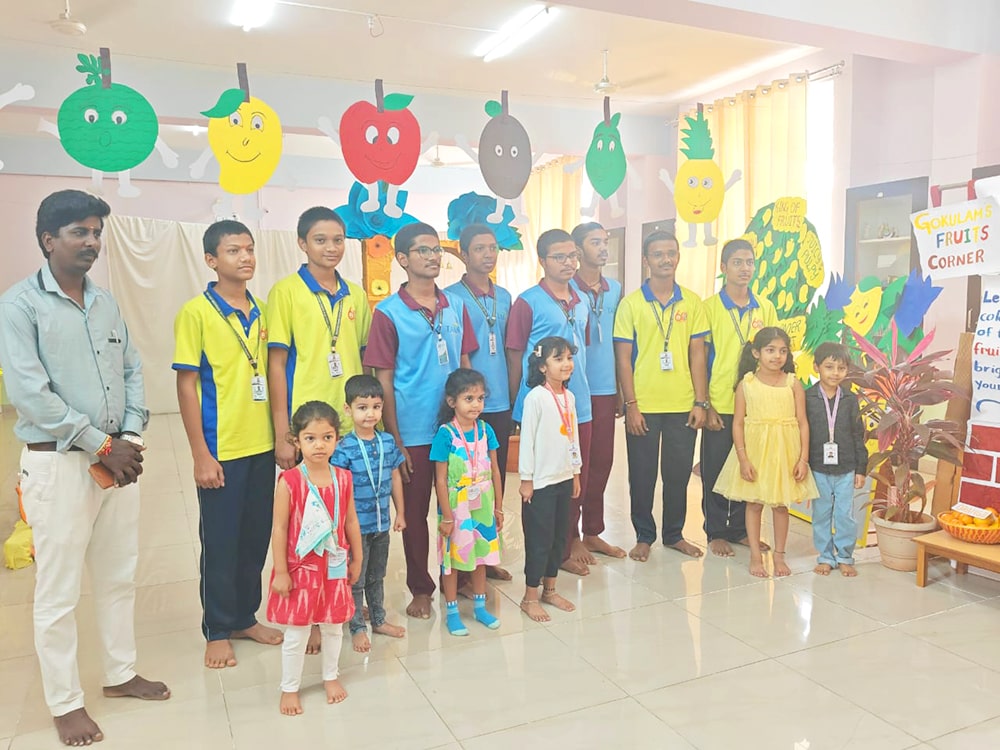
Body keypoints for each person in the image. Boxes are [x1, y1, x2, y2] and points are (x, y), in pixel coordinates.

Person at [0, 190, 169, 747]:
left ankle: (120, 674)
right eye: (79, 232)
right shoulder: (19, 306)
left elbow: (132, 370)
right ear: (48, 240)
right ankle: (65, 702)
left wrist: (130, 437)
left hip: (117, 462)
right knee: (58, 590)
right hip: (58, 466)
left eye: (96, 232)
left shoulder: (106, 303)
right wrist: (101, 445)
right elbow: (31, 395)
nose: (91, 241)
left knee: (119, 574)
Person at [173, 220, 283, 670]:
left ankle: (244, 618)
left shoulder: (264, 310)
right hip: (221, 447)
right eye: (234, 250)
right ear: (211, 260)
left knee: (255, 537)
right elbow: (186, 386)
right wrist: (200, 454)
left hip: (262, 446)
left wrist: (280, 436)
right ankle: (217, 629)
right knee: (220, 541)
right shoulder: (196, 313)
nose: (246, 257)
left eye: (250, 249)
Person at [363, 221, 478, 619]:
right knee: (414, 514)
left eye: (436, 250)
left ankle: (461, 578)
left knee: (459, 505)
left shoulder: (456, 306)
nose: (432, 257)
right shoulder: (388, 313)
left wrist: (471, 417)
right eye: (423, 250)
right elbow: (384, 379)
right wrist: (394, 437)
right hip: (411, 430)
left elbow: (465, 363)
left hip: (455, 428)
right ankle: (421, 588)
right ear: (402, 259)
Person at [613, 231, 710, 563]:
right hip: (644, 405)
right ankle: (644, 536)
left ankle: (674, 534)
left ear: (678, 257)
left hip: (683, 404)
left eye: (671, 253)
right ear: (646, 260)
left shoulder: (692, 303)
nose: (666, 259)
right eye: (658, 254)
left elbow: (697, 355)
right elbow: (623, 359)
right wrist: (631, 405)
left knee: (677, 475)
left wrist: (700, 401)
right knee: (641, 475)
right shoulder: (631, 304)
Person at [507, 228, 594, 576]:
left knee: (573, 477)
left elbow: (581, 351)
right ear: (542, 260)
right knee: (541, 487)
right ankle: (541, 561)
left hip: (577, 402)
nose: (569, 263)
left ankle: (566, 546)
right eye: (560, 257)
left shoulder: (581, 299)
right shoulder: (527, 302)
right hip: (541, 404)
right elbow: (515, 355)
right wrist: (517, 402)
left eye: (573, 255)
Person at [267, 401, 362, 715]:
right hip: (301, 570)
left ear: (337, 439)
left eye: (327, 437)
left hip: (334, 566)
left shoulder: (343, 478)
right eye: (310, 438)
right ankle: (289, 688)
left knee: (334, 626)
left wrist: (357, 558)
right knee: (298, 632)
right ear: (296, 441)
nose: (319, 445)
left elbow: (351, 521)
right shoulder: (290, 481)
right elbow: (280, 528)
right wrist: (282, 571)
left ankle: (330, 676)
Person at [267, 206, 372, 471]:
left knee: (353, 495)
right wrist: (282, 434)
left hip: (352, 421)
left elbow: (365, 360)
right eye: (320, 240)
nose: (331, 248)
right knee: (313, 496)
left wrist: (370, 415)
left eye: (338, 240)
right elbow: (276, 365)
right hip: (308, 424)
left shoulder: (356, 294)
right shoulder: (285, 291)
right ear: (302, 244)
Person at [713, 327, 819, 578]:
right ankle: (754, 555)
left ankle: (779, 555)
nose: (777, 356)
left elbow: (803, 423)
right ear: (756, 353)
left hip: (785, 452)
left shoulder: (793, 384)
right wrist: (742, 458)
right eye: (770, 350)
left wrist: (803, 459)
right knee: (754, 503)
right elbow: (738, 423)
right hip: (756, 451)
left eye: (782, 351)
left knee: (781, 505)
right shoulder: (746, 384)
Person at [702, 238, 779, 557]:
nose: (744, 268)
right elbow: (700, 358)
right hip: (721, 401)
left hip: (756, 404)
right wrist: (705, 403)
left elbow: (775, 353)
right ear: (723, 267)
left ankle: (740, 529)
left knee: (749, 466)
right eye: (737, 262)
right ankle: (716, 531)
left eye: (749, 262)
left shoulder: (765, 307)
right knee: (716, 467)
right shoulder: (709, 308)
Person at [445, 224, 513, 585]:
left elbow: (512, 350)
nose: (488, 254)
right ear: (464, 253)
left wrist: (513, 396)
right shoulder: (451, 298)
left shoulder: (505, 296)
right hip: (469, 404)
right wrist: (468, 400)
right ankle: (461, 569)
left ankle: (487, 557)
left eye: (493, 248)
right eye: (480, 248)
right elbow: (460, 352)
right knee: (463, 484)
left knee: (492, 480)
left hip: (500, 401)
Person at [330, 374, 407, 652]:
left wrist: (400, 512)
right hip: (355, 528)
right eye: (362, 407)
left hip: (381, 523)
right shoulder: (343, 448)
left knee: (377, 575)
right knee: (356, 577)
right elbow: (338, 488)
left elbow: (395, 477)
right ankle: (357, 628)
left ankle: (379, 620)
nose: (370, 413)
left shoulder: (387, 442)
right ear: (348, 409)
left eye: (376, 407)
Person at [431, 368, 504, 636]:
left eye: (480, 398)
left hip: (482, 503)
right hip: (456, 507)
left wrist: (498, 507)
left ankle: (480, 607)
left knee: (481, 556)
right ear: (452, 401)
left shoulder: (486, 430)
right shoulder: (445, 434)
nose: (476, 405)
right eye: (469, 398)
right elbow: (440, 480)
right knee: (451, 559)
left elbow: (495, 471)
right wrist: (447, 516)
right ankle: (452, 612)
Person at [570, 222, 626, 560]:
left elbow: (621, 342)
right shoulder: (565, 287)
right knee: (575, 464)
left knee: (602, 462)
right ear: (578, 251)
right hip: (573, 389)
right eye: (595, 242)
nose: (603, 247)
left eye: (604, 241)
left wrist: (620, 388)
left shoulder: (615, 289)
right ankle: (569, 536)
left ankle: (593, 531)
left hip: (605, 388)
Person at [518, 337, 580, 622]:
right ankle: (530, 596)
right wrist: (526, 479)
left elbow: (573, 437)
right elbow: (527, 441)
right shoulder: (535, 398)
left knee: (559, 536)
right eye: (558, 359)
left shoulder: (570, 397)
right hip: (541, 482)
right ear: (542, 366)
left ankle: (550, 589)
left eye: (569, 358)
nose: (566, 364)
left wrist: (575, 472)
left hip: (564, 477)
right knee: (539, 539)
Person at [806, 342, 868, 577]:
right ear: (816, 367)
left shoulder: (850, 399)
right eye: (829, 367)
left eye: (841, 368)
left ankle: (844, 556)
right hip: (817, 467)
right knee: (821, 514)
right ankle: (825, 556)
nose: (835, 373)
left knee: (845, 515)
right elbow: (802, 433)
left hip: (846, 468)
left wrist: (861, 468)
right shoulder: (807, 397)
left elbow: (858, 434)